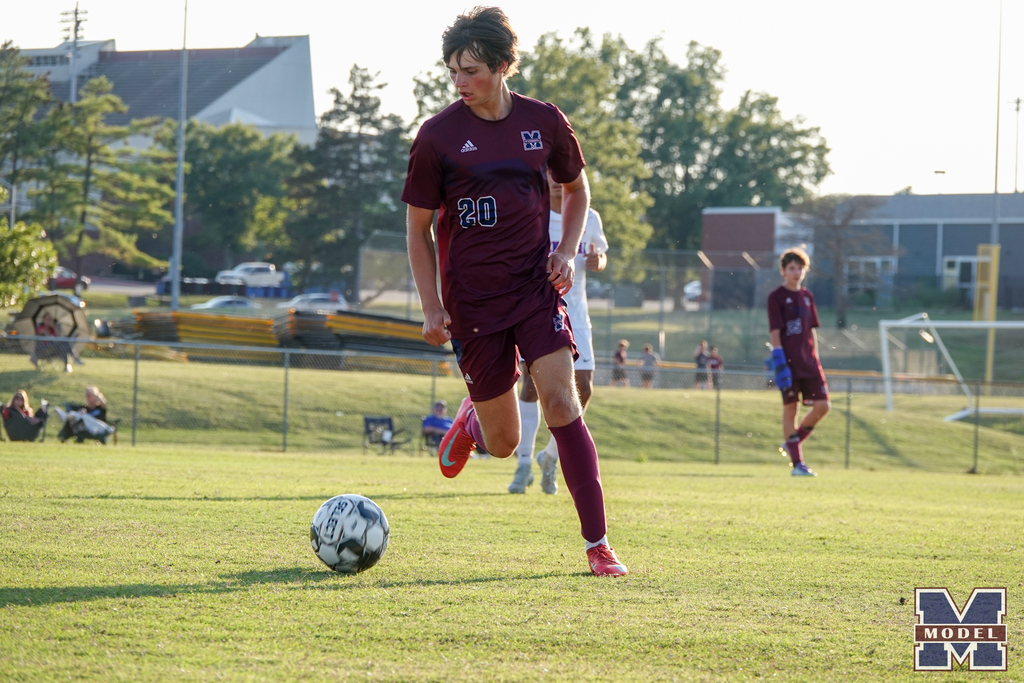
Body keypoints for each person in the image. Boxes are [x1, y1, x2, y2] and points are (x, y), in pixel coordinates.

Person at [403, 7, 626, 576]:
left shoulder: (545, 123)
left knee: (561, 402)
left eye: (471, 70)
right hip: (471, 305)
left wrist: (564, 252)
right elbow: (418, 231)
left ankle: (598, 544)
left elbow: (578, 192)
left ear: (503, 66)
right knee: (503, 444)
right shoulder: (436, 136)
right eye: (452, 70)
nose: (459, 82)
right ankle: (474, 420)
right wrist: (431, 305)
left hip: (534, 288)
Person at [511, 170, 609, 495]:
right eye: (548, 172)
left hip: (577, 312)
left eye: (561, 173)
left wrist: (598, 261)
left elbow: (601, 254)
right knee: (533, 384)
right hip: (541, 308)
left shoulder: (587, 214)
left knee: (584, 388)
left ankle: (549, 457)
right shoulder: (532, 211)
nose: (555, 179)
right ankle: (523, 463)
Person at [767, 247, 830, 477]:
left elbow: (811, 331)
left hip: (809, 361)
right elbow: (775, 332)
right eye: (791, 268)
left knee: (823, 406)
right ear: (783, 271)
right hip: (789, 361)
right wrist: (779, 360)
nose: (796, 272)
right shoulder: (776, 297)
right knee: (790, 409)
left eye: (800, 268)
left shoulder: (807, 296)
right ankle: (797, 465)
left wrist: (816, 358)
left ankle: (792, 443)